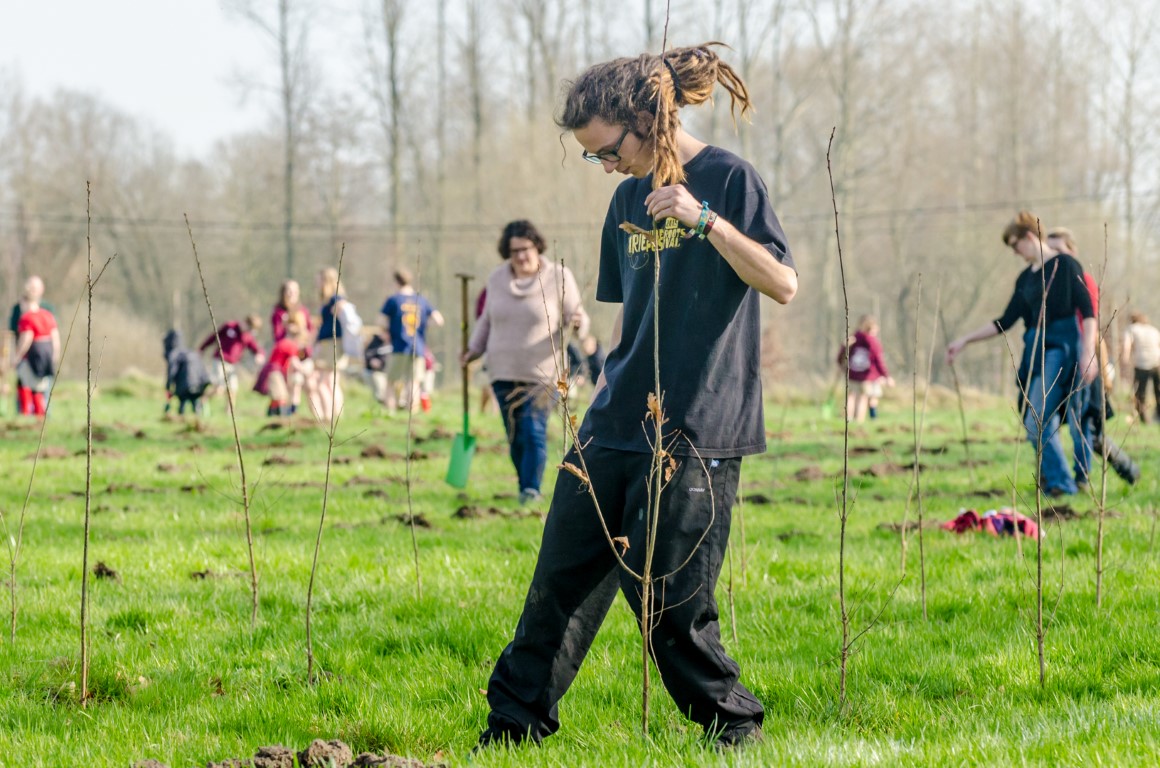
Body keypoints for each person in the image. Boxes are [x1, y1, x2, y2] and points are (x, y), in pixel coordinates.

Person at [476, 44, 796, 751]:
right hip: (612, 424)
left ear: (646, 119)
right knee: (556, 586)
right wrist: (596, 388)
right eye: (593, 156)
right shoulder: (625, 200)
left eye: (606, 150)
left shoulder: (727, 179)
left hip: (697, 431)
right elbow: (634, 316)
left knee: (668, 604)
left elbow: (783, 282)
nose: (605, 165)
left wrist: (704, 219)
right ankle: (511, 730)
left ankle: (733, 728)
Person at [946, 211, 1097, 498]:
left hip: (1060, 349)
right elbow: (1005, 320)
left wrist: (1088, 350)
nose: (1015, 253)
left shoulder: (1065, 265)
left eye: (1016, 246)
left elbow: (1087, 311)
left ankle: (1064, 485)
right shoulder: (1025, 278)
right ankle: (1056, 482)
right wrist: (965, 340)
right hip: (1034, 349)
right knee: (1041, 419)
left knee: (1036, 419)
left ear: (1029, 237)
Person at [463, 220, 588, 504]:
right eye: (514, 250)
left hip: (544, 372)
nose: (521, 256)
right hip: (503, 370)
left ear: (537, 246)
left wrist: (579, 325)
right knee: (515, 434)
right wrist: (473, 350)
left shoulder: (558, 276)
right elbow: (486, 320)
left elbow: (576, 314)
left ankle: (530, 490)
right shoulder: (497, 279)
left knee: (533, 429)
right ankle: (524, 485)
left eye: (526, 248)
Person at [380, 268, 443, 412]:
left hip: (399, 346)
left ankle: (390, 412)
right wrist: (423, 325)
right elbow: (439, 320)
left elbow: (381, 321)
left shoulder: (393, 300)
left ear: (396, 282)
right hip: (418, 346)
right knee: (413, 382)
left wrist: (390, 329)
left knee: (391, 381)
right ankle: (412, 413)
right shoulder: (421, 300)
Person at [7, 276, 57, 414]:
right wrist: (54, 355)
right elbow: (55, 336)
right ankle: (40, 417)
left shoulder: (28, 317)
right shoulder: (46, 314)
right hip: (45, 356)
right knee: (39, 389)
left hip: (31, 357)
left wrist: (16, 358)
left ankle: (28, 415)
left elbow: (26, 339)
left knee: (28, 387)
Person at [838, 315, 894, 422]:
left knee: (851, 396)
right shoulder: (873, 342)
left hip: (852, 373)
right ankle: (859, 421)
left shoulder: (853, 338)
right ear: (872, 329)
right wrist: (886, 376)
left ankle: (848, 419)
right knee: (862, 398)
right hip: (866, 376)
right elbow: (878, 360)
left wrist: (841, 363)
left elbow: (841, 354)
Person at [199, 314, 266, 401]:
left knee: (233, 389)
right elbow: (213, 336)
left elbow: (255, 348)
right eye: (249, 328)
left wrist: (259, 355)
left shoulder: (247, 336)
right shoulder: (230, 326)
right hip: (220, 361)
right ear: (245, 323)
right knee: (219, 388)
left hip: (233, 364)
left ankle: (229, 412)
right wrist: (202, 348)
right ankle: (202, 400)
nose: (249, 331)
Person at [1119, 310, 1160, 425]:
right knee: (1158, 391)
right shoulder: (1152, 329)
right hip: (1157, 362)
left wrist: (1124, 362)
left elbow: (1127, 345)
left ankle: (1143, 418)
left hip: (1142, 363)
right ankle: (1158, 416)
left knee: (1140, 392)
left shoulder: (1131, 328)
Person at [163, 330, 210, 417]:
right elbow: (204, 372)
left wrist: (168, 388)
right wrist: (204, 387)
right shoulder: (193, 353)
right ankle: (197, 419)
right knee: (195, 401)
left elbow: (171, 373)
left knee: (182, 402)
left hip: (183, 387)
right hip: (198, 386)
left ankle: (181, 418)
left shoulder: (174, 355)